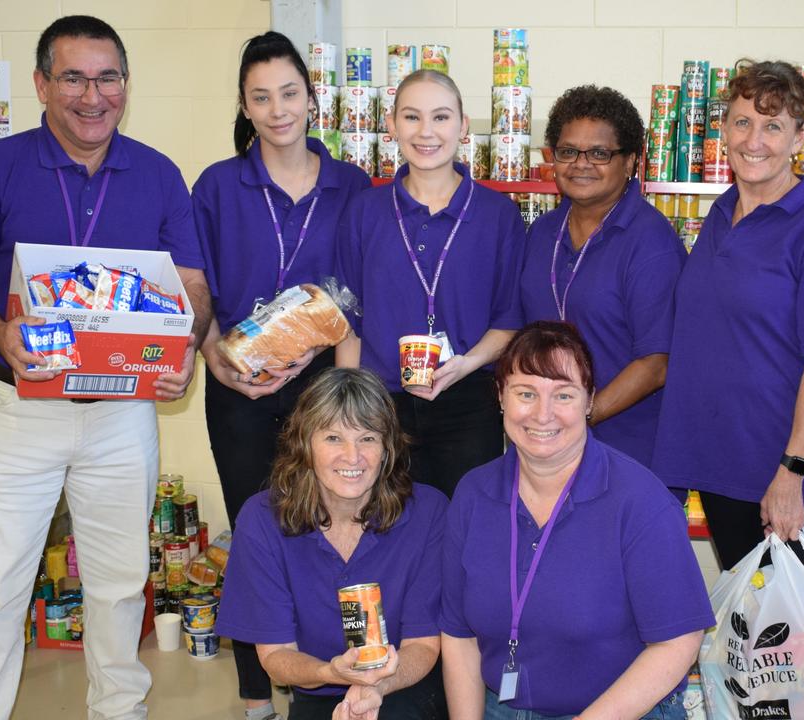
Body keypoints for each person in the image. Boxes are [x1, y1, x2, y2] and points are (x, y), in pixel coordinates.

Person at [0, 15, 210, 719]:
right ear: (42, 84)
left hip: (120, 415)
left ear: (125, 84)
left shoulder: (158, 174)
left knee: (118, 585)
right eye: (73, 77)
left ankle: (120, 711)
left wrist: (185, 350)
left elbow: (194, 287)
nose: (92, 95)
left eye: (107, 77)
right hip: (16, 411)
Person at [191, 30, 370, 720]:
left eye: (288, 93)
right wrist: (215, 359)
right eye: (260, 97)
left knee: (330, 524)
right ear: (244, 103)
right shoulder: (217, 185)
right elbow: (194, 290)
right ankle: (254, 690)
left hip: (319, 390)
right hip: (236, 388)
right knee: (253, 527)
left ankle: (330, 673)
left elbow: (359, 297)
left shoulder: (350, 186)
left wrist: (345, 400)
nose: (277, 109)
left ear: (310, 96)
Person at [651, 59, 804, 571]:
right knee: (746, 633)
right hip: (728, 465)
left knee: (785, 642)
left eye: (774, 126)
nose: (755, 140)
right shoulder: (723, 213)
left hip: (789, 471)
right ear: (723, 129)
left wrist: (791, 474)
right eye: (743, 121)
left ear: (799, 139)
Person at [441, 321, 713, 719]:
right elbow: (459, 634)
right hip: (504, 708)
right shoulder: (472, 495)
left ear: (589, 402)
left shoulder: (640, 501)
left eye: (563, 395)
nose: (543, 414)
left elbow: (679, 641)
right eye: (525, 393)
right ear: (500, 397)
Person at [217, 368, 448, 720]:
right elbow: (277, 657)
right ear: (305, 444)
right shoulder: (262, 519)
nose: (352, 456)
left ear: (387, 448)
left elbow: (423, 645)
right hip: (318, 683)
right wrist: (332, 673)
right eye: (333, 438)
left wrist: (374, 688)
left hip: (402, 685)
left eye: (368, 438)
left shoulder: (428, 512)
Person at [335, 69, 525, 498]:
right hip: (379, 404)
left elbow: (509, 319)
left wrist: (468, 363)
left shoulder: (498, 216)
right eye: (411, 117)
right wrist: (346, 410)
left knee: (463, 533)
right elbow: (349, 321)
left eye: (440, 117)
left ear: (462, 125)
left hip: (468, 401)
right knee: (385, 530)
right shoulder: (364, 212)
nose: (426, 132)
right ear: (391, 125)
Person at [519, 85, 684, 467]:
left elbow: (656, 363)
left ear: (629, 163)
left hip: (629, 451)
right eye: (568, 151)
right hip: (546, 446)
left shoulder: (651, 242)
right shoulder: (543, 232)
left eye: (599, 153)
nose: (581, 164)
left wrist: (580, 416)